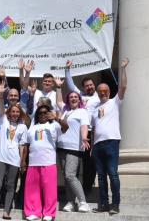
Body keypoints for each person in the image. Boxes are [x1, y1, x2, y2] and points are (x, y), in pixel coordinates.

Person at [91, 58, 129, 215]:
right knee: (101, 177)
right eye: (100, 90)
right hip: (98, 145)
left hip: (111, 142)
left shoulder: (114, 102)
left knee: (112, 174)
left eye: (105, 90)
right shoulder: (94, 110)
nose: (102, 92)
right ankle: (104, 204)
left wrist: (123, 69)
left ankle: (115, 204)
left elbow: (124, 86)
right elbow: (93, 129)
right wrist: (93, 145)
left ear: (108, 91)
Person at [0, 82, 29, 220]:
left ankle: (6, 212)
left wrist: (22, 161)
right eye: (13, 111)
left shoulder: (23, 128)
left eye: (17, 112)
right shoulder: (3, 121)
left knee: (11, 185)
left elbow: (22, 146)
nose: (15, 114)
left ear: (20, 113)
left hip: (14, 160)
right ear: (9, 112)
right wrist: (1, 96)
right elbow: (1, 108)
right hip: (1, 158)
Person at [21, 104, 69, 221]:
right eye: (40, 113)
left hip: (48, 163)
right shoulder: (32, 128)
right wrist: (23, 161)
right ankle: (34, 212)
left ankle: (49, 213)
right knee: (32, 190)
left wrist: (56, 118)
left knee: (50, 190)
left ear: (49, 114)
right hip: (33, 163)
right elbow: (26, 146)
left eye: (45, 113)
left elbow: (66, 127)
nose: (43, 115)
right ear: (37, 115)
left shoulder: (54, 126)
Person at [55, 79, 91, 213]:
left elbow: (84, 126)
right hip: (62, 147)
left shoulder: (82, 111)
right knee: (66, 176)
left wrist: (84, 138)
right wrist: (58, 87)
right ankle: (70, 202)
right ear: (68, 100)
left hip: (74, 148)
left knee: (70, 175)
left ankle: (83, 202)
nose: (73, 98)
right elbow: (59, 102)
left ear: (79, 99)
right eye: (71, 97)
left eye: (76, 97)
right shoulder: (65, 111)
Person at [65, 60, 100, 192]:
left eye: (91, 85)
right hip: (77, 132)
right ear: (84, 88)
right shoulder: (80, 96)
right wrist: (67, 70)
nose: (89, 87)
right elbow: (70, 85)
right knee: (76, 160)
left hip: (90, 132)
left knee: (89, 162)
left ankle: (87, 187)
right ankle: (76, 187)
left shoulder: (99, 97)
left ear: (94, 85)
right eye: (87, 86)